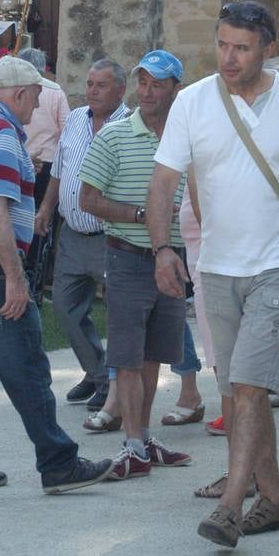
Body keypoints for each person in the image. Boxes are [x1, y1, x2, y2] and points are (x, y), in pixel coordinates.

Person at [148, 0, 279, 550]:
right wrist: (163, 248)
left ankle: (232, 505)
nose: (229, 57)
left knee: (249, 385)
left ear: (268, 48)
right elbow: (164, 181)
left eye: (241, 47)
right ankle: (277, 502)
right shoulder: (192, 102)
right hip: (215, 267)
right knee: (239, 393)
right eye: (222, 45)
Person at [0, 55, 113, 495]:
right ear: (18, 94)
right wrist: (15, 278)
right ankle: (58, 462)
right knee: (29, 367)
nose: (38, 106)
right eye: (35, 95)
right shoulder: (0, 137)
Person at [78, 49, 193, 480]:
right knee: (127, 357)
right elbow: (86, 200)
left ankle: (142, 440)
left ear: (174, 89)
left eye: (157, 84)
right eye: (142, 82)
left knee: (154, 355)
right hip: (127, 258)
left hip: (174, 261)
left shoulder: (186, 138)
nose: (147, 92)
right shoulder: (114, 136)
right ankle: (131, 444)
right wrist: (144, 216)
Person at [33, 59, 130, 417]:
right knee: (64, 305)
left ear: (120, 90)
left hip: (112, 238)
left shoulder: (131, 127)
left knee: (121, 314)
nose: (91, 91)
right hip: (72, 234)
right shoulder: (75, 119)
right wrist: (45, 208)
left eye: (101, 85)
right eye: (89, 84)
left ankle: (112, 386)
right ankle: (97, 372)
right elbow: (59, 169)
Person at [15, 47, 70, 290]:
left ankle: (25, 271)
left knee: (19, 216)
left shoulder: (15, 91)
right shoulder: (55, 92)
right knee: (43, 221)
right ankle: (38, 276)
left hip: (19, 159)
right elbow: (66, 131)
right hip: (47, 164)